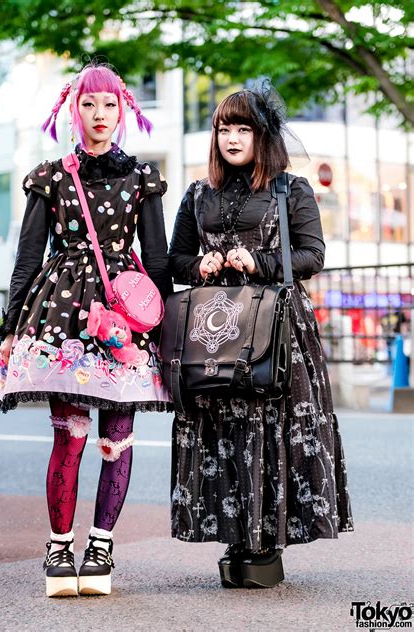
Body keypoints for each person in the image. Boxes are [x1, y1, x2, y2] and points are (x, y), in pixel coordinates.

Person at [0, 63, 172, 597]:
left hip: (123, 317)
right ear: (74, 110)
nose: (100, 115)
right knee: (68, 438)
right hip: (62, 317)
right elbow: (28, 259)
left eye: (111, 105)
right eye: (90, 104)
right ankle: (58, 545)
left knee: (116, 439)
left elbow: (158, 260)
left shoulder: (143, 179)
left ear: (123, 112)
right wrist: (9, 328)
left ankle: (101, 545)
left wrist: (164, 330)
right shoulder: (50, 176)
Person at [168, 81, 353, 589]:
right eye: (223, 128)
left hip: (278, 328)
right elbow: (174, 259)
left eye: (242, 128)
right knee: (221, 431)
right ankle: (234, 540)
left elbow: (313, 256)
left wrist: (263, 261)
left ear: (261, 134)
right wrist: (199, 263)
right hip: (216, 328)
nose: (231, 138)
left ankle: (266, 544)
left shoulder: (290, 189)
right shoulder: (197, 194)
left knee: (270, 429)